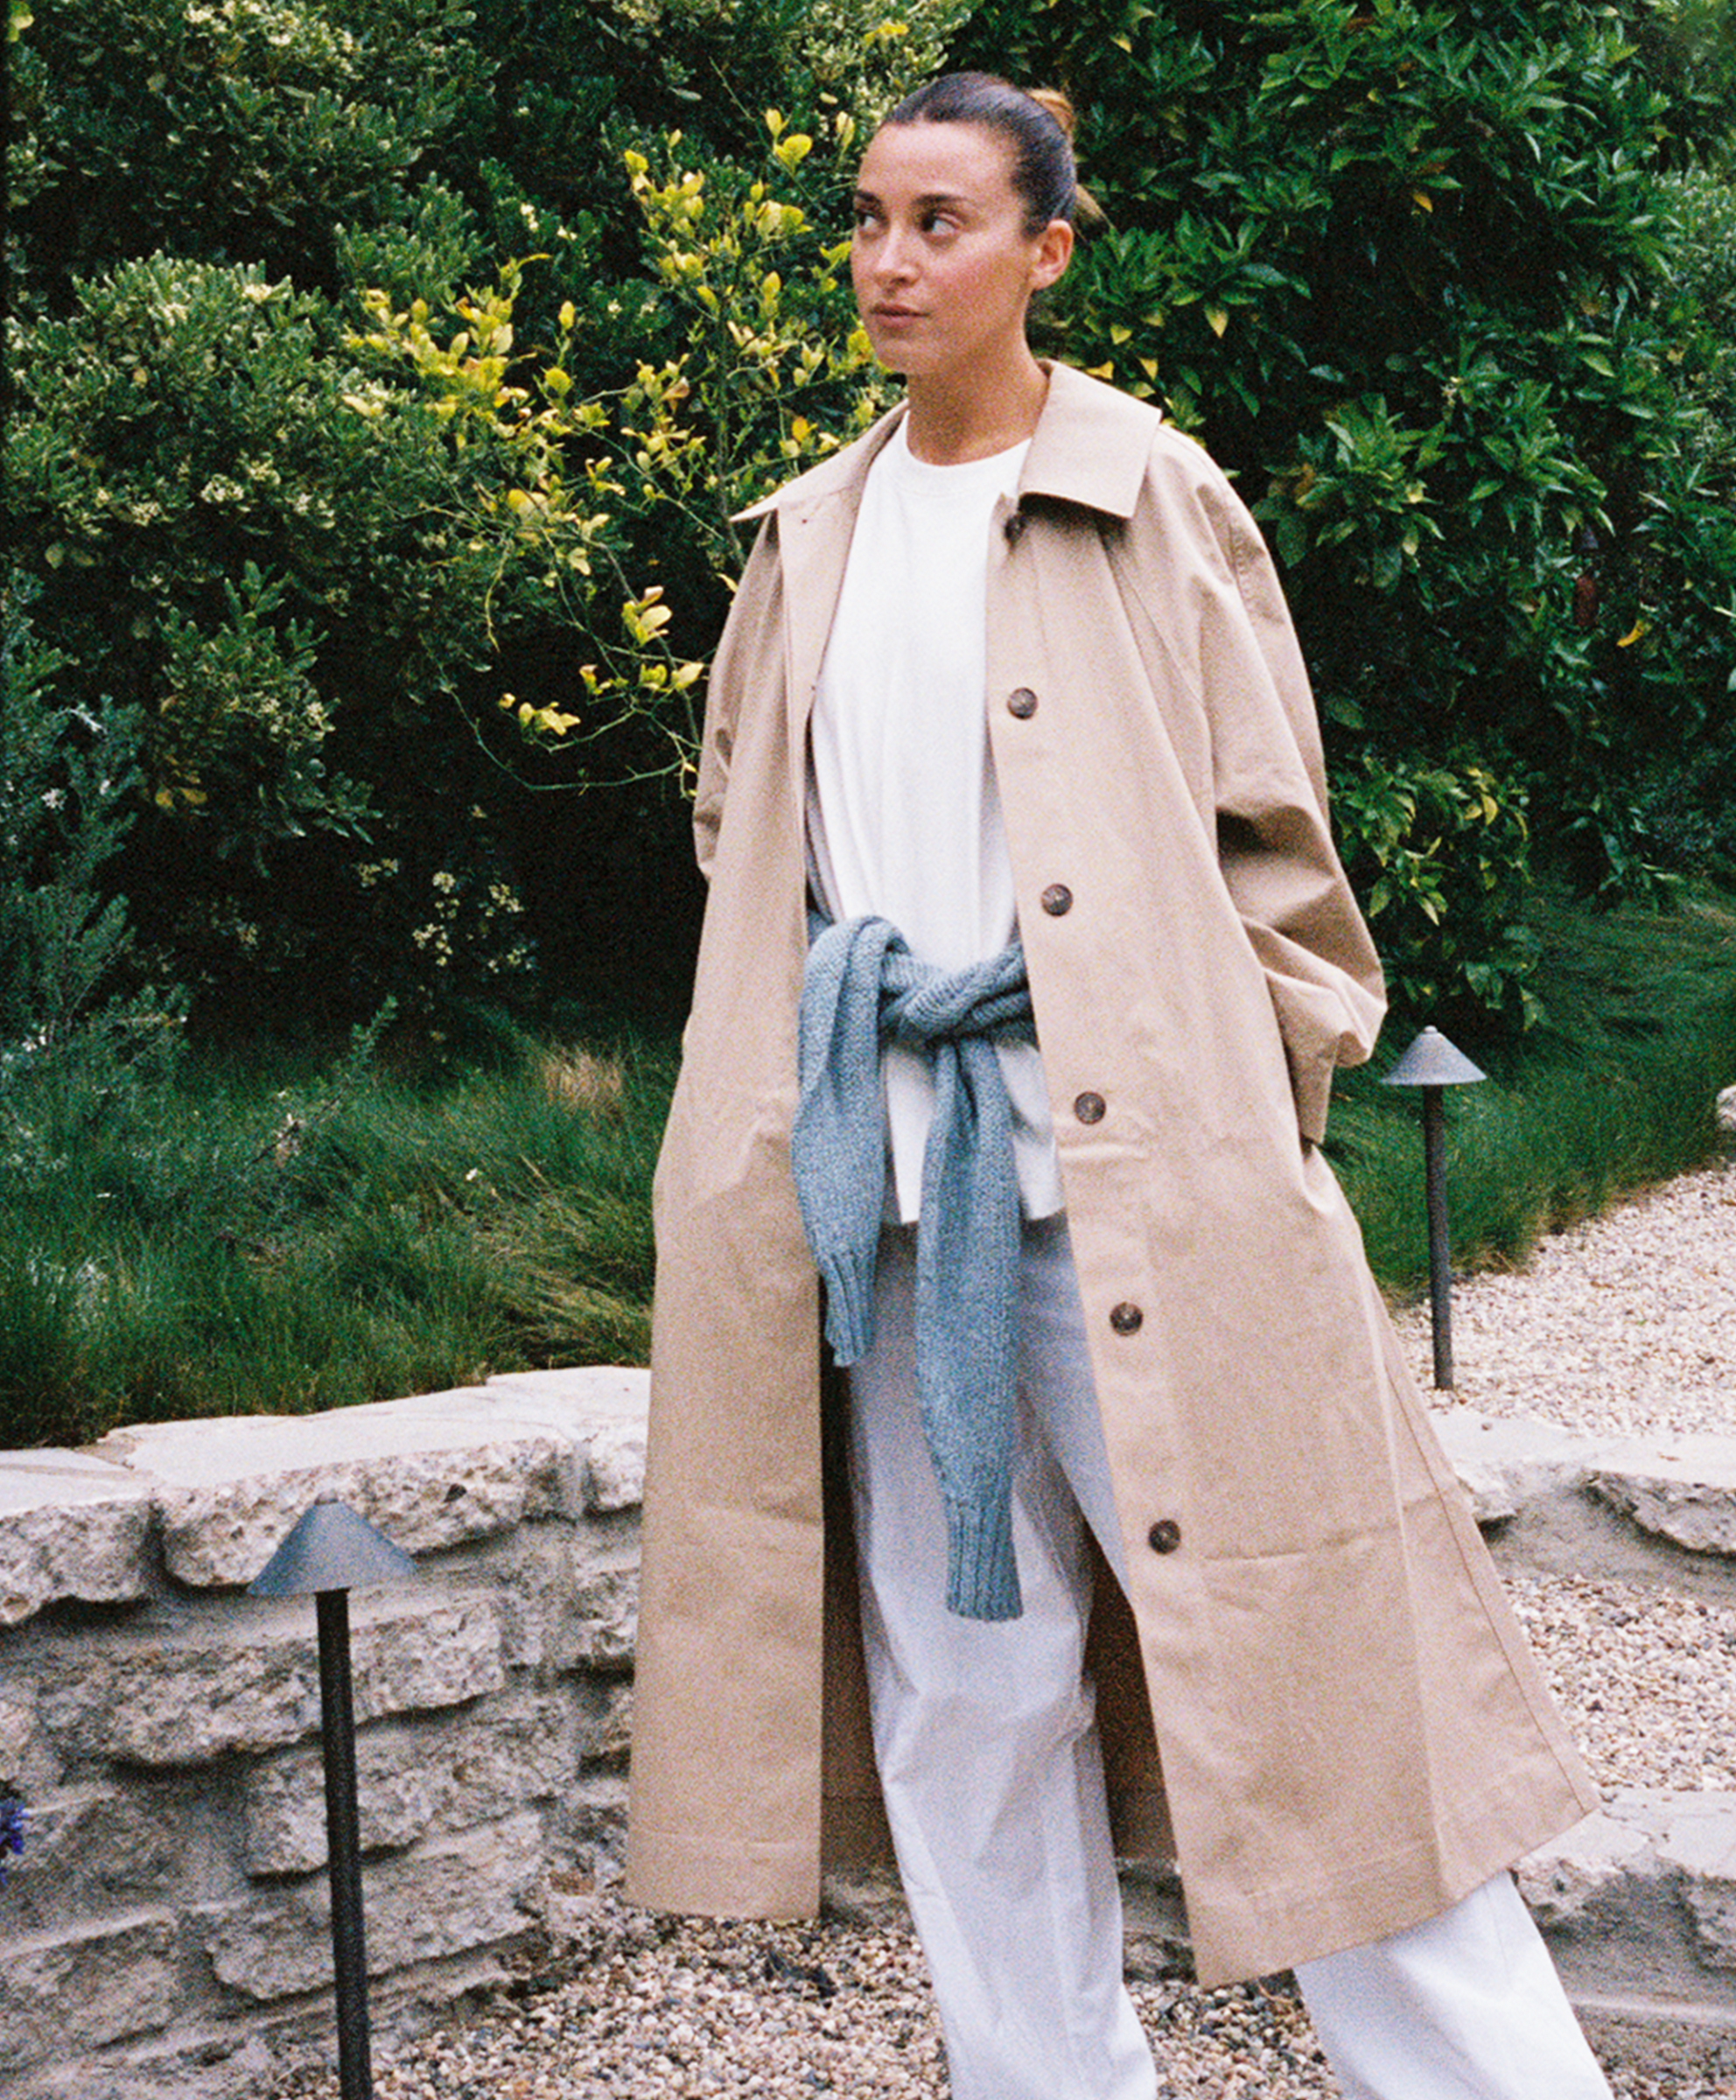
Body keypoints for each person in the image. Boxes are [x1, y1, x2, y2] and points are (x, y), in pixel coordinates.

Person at [626, 70, 1613, 2100]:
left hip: (1138, 1195)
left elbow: (1282, 860)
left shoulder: (1148, 489)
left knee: (1317, 1694)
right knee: (961, 1707)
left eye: (942, 224)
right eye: (871, 220)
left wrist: (1243, 1115)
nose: (889, 263)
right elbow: (749, 836)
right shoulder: (804, 534)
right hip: (882, 1211)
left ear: (1045, 249)